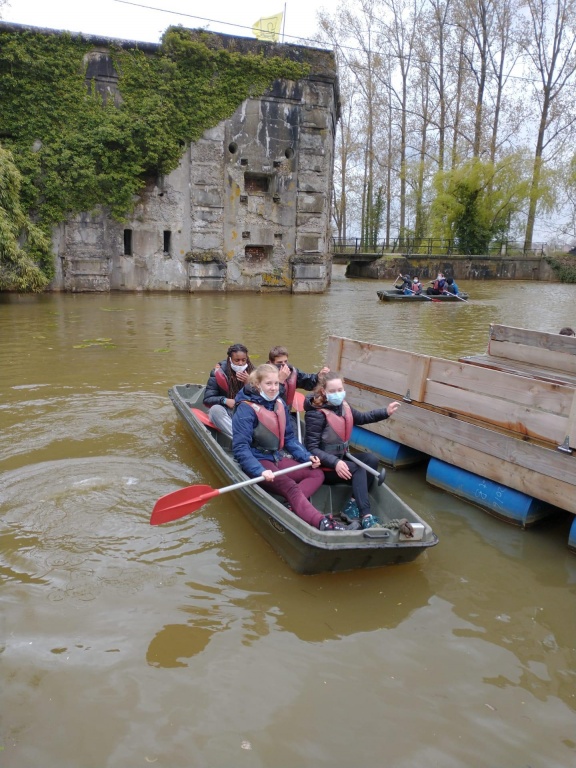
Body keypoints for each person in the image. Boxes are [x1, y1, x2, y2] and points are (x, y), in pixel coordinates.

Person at [232, 364, 355, 531]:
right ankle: (322, 523)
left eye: (276, 383)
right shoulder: (246, 409)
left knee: (316, 473)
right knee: (289, 486)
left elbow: (289, 438)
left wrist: (306, 457)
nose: (274, 388)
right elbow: (240, 448)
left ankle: (293, 506)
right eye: (268, 384)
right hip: (257, 461)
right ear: (257, 384)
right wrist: (259, 470)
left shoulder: (279, 403)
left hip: (276, 457)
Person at [304, 371, 401, 530]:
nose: (338, 394)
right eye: (333, 391)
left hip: (340, 460)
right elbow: (311, 448)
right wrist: (335, 462)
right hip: (324, 467)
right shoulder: (315, 414)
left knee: (371, 460)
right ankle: (366, 516)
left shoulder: (343, 406)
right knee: (357, 469)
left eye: (340, 390)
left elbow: (363, 417)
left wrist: (385, 412)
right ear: (323, 391)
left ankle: (352, 504)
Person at [203, 343, 254, 437]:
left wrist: (248, 383)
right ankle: (242, 437)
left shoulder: (253, 372)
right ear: (230, 359)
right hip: (229, 410)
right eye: (237, 360)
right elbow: (207, 399)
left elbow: (262, 398)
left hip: (248, 410)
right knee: (215, 410)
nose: (241, 363)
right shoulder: (218, 372)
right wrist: (225, 400)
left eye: (244, 360)